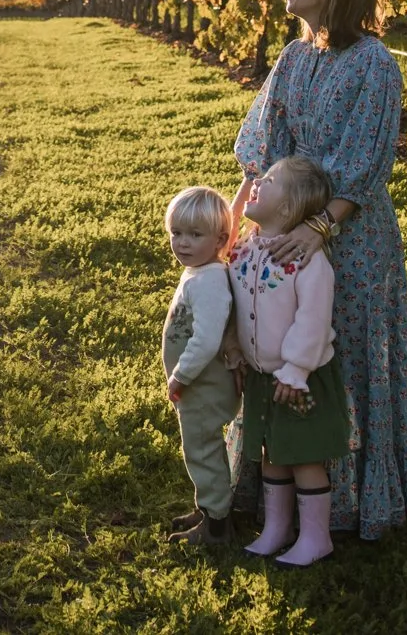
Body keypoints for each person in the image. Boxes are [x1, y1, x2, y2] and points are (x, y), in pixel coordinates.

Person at [231, 0, 407, 541]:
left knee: (347, 358)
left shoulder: (376, 64)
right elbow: (263, 148)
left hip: (354, 237)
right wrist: (241, 222)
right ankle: (275, 497)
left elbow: (366, 161)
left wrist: (320, 228)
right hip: (284, 233)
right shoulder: (293, 58)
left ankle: (350, 507)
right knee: (281, 349)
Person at [225, 156, 349, 567]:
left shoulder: (309, 260)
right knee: (272, 452)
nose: (257, 182)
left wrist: (296, 370)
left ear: (287, 208)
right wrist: (236, 349)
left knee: (305, 456)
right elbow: (237, 307)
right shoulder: (244, 248)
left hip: (300, 378)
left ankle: (316, 537)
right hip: (262, 376)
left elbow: (313, 319)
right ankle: (276, 529)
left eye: (271, 179)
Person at [159, 184, 242, 548]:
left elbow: (207, 339)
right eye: (176, 233)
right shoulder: (200, 271)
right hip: (198, 386)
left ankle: (217, 526)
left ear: (220, 239)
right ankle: (208, 508)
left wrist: (180, 376)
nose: (183, 243)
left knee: (203, 449)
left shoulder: (209, 280)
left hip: (202, 386)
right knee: (200, 448)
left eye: (195, 235)